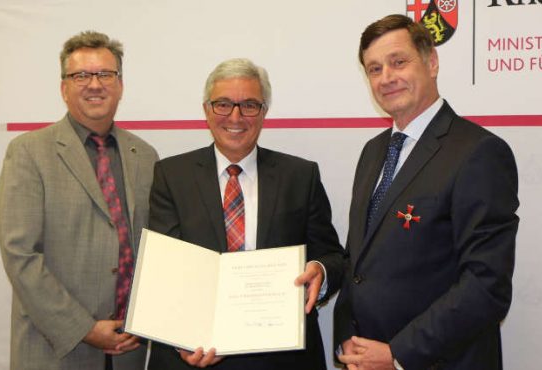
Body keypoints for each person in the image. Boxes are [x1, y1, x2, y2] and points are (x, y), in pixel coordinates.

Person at [333, 14, 519, 370]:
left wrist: (398, 355)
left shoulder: (478, 152)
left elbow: (486, 284)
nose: (386, 77)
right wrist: (348, 337)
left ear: (431, 62)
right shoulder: (373, 152)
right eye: (374, 69)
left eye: (398, 62)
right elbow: (360, 261)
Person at [146, 57, 345, 370]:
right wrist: (179, 336)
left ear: (264, 112)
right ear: (206, 110)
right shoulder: (171, 175)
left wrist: (320, 271)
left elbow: (332, 256)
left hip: (283, 359)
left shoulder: (300, 176)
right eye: (223, 104)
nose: (236, 116)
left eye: (249, 105)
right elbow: (164, 270)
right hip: (194, 354)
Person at [0, 30, 158, 369]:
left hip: (129, 350)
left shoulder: (144, 156)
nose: (95, 84)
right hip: (55, 350)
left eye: (105, 74)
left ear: (121, 85)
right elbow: (21, 257)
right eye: (81, 75)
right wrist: (84, 329)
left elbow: (154, 251)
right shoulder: (28, 153)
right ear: (63, 87)